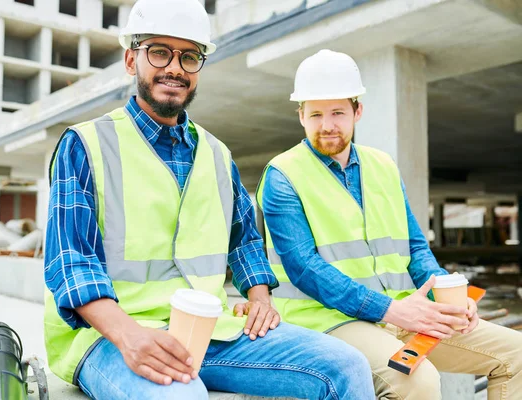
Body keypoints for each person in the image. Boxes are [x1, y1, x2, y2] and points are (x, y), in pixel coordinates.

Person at [43, 1, 376, 399]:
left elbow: (246, 238)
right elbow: (71, 263)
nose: (175, 68)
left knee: (347, 366)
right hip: (111, 336)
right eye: (159, 52)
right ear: (132, 61)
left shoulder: (217, 154)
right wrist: (130, 336)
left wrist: (259, 297)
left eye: (189, 57)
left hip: (209, 327)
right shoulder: (86, 145)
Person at [256, 49, 522, 399]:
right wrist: (392, 310)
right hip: (329, 321)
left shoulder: (382, 165)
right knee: (418, 380)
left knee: (515, 354)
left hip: (400, 311)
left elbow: (414, 245)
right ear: (301, 115)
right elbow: (305, 267)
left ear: (357, 111)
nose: (327, 125)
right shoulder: (282, 175)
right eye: (315, 114)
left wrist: (450, 298)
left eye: (337, 112)